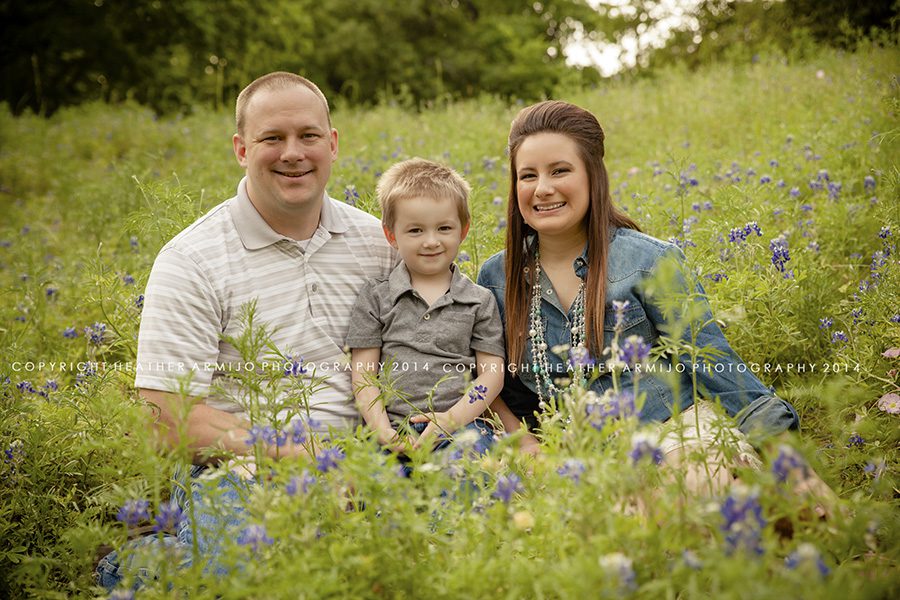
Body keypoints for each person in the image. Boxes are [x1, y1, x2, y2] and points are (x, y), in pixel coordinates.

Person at [97, 72, 396, 589]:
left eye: (308, 136)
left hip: (372, 458)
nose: (293, 153)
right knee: (242, 581)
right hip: (243, 469)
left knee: (446, 542)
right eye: (271, 139)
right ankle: (138, 561)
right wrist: (296, 457)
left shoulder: (379, 242)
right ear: (241, 149)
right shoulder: (192, 260)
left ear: (333, 143)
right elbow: (165, 416)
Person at [476, 100, 806, 493]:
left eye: (560, 170)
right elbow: (499, 386)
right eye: (527, 175)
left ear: (593, 175)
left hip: (674, 431)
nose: (543, 188)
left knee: (689, 483)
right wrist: (525, 443)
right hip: (576, 451)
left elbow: (715, 365)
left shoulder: (649, 261)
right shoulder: (498, 276)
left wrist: (794, 465)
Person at [347, 158, 506, 456]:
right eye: (416, 230)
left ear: (463, 230)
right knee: (373, 491)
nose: (431, 241)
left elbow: (492, 375)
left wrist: (451, 419)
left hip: (462, 428)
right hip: (391, 426)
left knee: (465, 482)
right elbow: (363, 374)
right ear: (391, 235)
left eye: (444, 228)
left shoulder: (479, 299)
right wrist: (382, 431)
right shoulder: (376, 296)